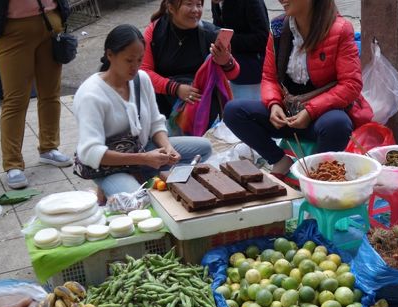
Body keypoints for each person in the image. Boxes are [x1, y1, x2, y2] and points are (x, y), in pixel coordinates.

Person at [223, 0, 372, 184]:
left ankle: (317, 176)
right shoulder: (278, 28)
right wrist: (274, 104)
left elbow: (351, 84)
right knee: (233, 111)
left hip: (321, 117)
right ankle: (279, 160)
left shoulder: (340, 29)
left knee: (338, 123)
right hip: (288, 114)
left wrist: (311, 111)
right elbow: (269, 77)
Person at [73, 24, 212, 198]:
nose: (135, 67)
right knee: (139, 198)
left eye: (139, 60)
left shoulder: (141, 79)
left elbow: (155, 122)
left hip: (143, 149)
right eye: (129, 60)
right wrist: (144, 158)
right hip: (108, 166)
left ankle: (143, 177)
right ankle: (111, 186)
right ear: (110, 55)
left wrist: (167, 147)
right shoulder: (91, 95)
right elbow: (90, 153)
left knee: (204, 148)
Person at [0, 0, 73, 189]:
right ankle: (12, 164)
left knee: (51, 94)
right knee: (15, 99)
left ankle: (49, 147)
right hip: (12, 27)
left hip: (50, 21)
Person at [140, 0, 240, 130]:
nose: (195, 10)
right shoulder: (155, 31)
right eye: (189, 4)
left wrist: (226, 61)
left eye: (199, 5)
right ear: (171, 7)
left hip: (201, 113)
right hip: (161, 109)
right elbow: (144, 71)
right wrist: (175, 88)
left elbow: (234, 73)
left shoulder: (209, 34)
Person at [211, 0, 269, 100]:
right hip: (229, 61)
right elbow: (217, 27)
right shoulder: (216, 3)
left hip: (252, 64)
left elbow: (263, 38)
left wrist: (227, 40)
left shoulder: (250, 2)